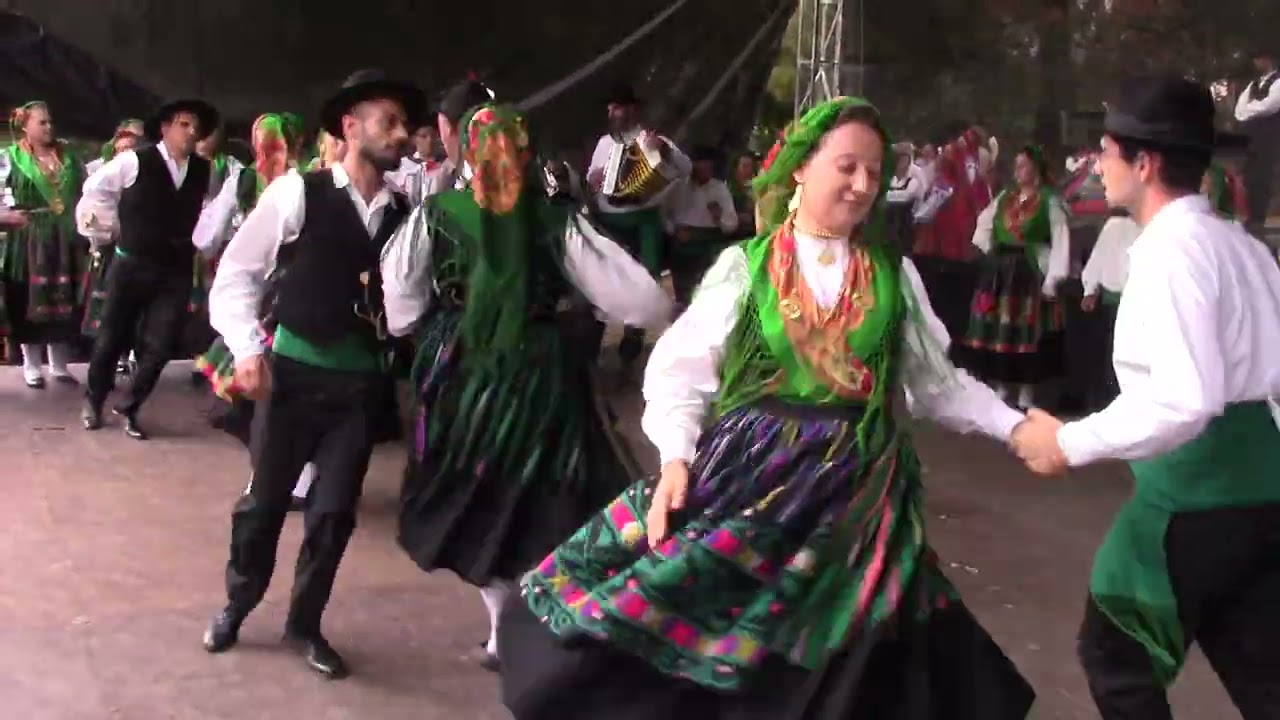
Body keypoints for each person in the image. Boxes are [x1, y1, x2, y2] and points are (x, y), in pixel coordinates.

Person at [498, 96, 1035, 720]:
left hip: (861, 500)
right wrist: (675, 460)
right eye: (847, 166)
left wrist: (1017, 427)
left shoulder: (895, 278)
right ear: (801, 167)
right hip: (756, 477)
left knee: (860, 651)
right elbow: (680, 373)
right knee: (729, 630)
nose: (863, 185)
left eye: (874, 170)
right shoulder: (746, 269)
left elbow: (937, 385)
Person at [1012, 75, 1280, 720]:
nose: (1097, 165)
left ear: (1145, 163)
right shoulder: (1244, 248)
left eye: (1106, 152)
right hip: (1262, 496)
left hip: (1191, 497)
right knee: (1264, 674)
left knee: (1116, 655)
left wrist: (1067, 442)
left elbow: (1185, 399)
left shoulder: (1171, 252)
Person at [385, 100, 672, 672]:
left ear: (465, 151)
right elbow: (644, 302)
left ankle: (503, 630)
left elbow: (400, 305)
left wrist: (442, 325)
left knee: (477, 492)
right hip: (541, 375)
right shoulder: (555, 220)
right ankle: (535, 623)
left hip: (463, 374)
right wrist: (575, 306)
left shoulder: (436, 214)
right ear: (527, 150)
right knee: (542, 494)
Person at [200, 70, 421, 680]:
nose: (401, 135)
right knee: (263, 505)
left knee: (333, 513)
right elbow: (237, 273)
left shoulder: (407, 212)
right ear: (349, 127)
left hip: (361, 388)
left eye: (405, 125)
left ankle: (304, 623)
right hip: (292, 380)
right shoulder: (298, 192)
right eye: (389, 122)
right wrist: (247, 349)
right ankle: (238, 603)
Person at [193, 113, 316, 510]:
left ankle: (294, 475)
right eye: (263, 142)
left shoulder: (309, 183)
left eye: (277, 141)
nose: (269, 151)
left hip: (290, 294)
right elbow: (212, 230)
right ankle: (275, 470)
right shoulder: (244, 180)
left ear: (295, 143)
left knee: (289, 389)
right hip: (255, 297)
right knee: (250, 393)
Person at [76, 98, 218, 439]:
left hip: (175, 269)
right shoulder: (134, 161)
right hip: (132, 263)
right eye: (184, 124)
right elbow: (95, 190)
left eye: (196, 126)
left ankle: (130, 405)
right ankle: (94, 399)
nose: (191, 131)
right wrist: (110, 225)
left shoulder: (204, 170)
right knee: (111, 337)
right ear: (166, 128)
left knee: (163, 342)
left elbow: (212, 209)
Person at [952, 146, 1069, 410]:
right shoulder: (1006, 197)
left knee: (1027, 332)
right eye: (1017, 165)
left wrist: (1053, 277)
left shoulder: (1049, 201)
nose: (1018, 171)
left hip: (1029, 272)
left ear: (1036, 169)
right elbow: (984, 224)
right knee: (1000, 330)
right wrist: (992, 250)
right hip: (1001, 273)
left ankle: (1027, 389)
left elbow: (1061, 240)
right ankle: (1002, 384)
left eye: (1024, 165)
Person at [585, 84, 691, 367]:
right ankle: (595, 342)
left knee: (644, 280)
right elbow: (591, 177)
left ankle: (633, 340)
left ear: (633, 110)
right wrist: (594, 178)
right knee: (607, 279)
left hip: (644, 220)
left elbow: (686, 168)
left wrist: (664, 151)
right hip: (610, 221)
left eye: (618, 107)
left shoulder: (654, 140)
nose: (612, 112)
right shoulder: (604, 144)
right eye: (610, 108)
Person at [0, 101, 86, 388]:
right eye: (42, 122)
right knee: (27, 298)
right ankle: (32, 365)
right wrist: (7, 216)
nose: (49, 127)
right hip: (26, 239)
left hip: (65, 238)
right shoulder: (9, 158)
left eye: (50, 122)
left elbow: (87, 191)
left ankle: (59, 365)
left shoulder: (69, 157)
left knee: (63, 298)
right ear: (25, 126)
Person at [663, 145, 738, 310]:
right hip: (682, 244)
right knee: (683, 292)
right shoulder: (678, 187)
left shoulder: (719, 189)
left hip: (708, 243)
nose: (705, 170)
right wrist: (674, 230)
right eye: (701, 166)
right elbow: (663, 213)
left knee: (707, 289)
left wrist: (719, 217)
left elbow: (731, 225)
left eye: (708, 167)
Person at [1079, 209, 1140, 410]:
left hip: (1127, 299)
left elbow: (1097, 259)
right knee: (1115, 354)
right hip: (1119, 299)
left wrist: (1090, 289)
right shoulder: (1117, 226)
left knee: (1118, 354)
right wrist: (1090, 289)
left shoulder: (1118, 225)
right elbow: (1099, 258)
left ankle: (1112, 401)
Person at [1234, 48, 1280, 235]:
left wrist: (1249, 110)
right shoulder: (1252, 85)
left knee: (1263, 178)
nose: (1256, 63)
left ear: (1268, 60)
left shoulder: (1277, 82)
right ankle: (1251, 216)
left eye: (1259, 59)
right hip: (1250, 139)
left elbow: (1270, 106)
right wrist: (1248, 111)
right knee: (1249, 177)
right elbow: (1239, 110)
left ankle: (1258, 219)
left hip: (1268, 139)